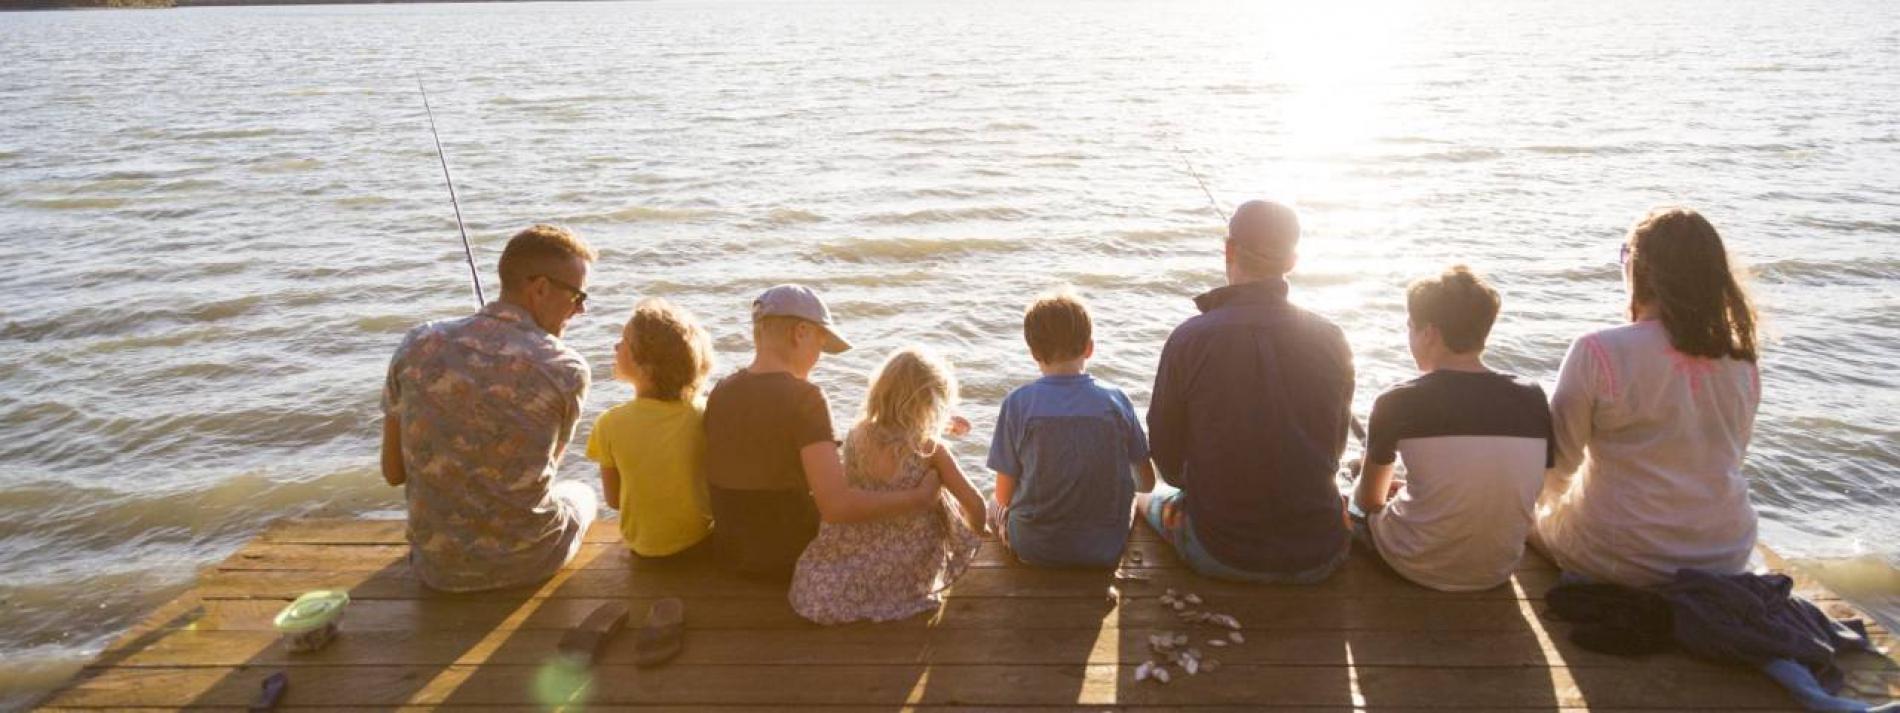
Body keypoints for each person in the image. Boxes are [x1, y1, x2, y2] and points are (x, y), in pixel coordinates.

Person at [1533, 207, 1762, 588]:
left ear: (1640, 270)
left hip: (1620, 555)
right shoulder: (1742, 360)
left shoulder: (1598, 350)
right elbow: (1731, 458)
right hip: (1726, 553)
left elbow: (1558, 469)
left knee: (1526, 518)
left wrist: (1538, 508)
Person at [1139, 199, 1355, 583]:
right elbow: (1333, 452)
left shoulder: (1189, 339)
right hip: (1319, 553)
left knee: (1143, 500)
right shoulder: (1332, 339)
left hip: (1219, 552)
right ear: (1291, 261)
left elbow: (1168, 463)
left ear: (1229, 250)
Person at [380, 224, 600, 592]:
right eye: (578, 297)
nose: (581, 310)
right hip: (530, 561)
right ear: (541, 288)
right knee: (583, 492)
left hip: (435, 569)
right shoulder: (566, 368)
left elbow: (392, 472)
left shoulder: (417, 343)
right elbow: (544, 469)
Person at [700, 284, 943, 580]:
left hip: (731, 555)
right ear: (800, 332)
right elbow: (836, 507)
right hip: (791, 559)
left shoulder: (721, 391)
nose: (819, 356)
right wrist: (918, 498)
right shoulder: (806, 398)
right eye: (820, 343)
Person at [1350, 265, 1553, 592]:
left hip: (1415, 565)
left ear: (1429, 333)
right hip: (1498, 569)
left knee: (1351, 503)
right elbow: (1518, 482)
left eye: (1411, 328)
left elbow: (1370, 500)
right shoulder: (1532, 396)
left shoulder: (1398, 400)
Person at [790, 347, 986, 624]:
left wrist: (940, 426)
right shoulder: (930, 448)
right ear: (933, 404)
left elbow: (892, 438)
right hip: (908, 558)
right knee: (941, 491)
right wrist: (980, 532)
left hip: (862, 540)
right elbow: (974, 502)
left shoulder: (856, 435)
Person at [986, 290, 1155, 568]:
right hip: (1106, 547)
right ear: (1090, 347)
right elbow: (1146, 483)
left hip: (1033, 547)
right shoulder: (1116, 400)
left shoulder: (1017, 403)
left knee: (994, 502)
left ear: (1033, 352)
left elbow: (1005, 496)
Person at [585, 298, 716, 560]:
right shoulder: (706, 412)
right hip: (702, 541)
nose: (615, 346)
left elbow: (613, 500)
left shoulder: (609, 423)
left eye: (623, 341)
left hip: (645, 549)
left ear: (645, 365)